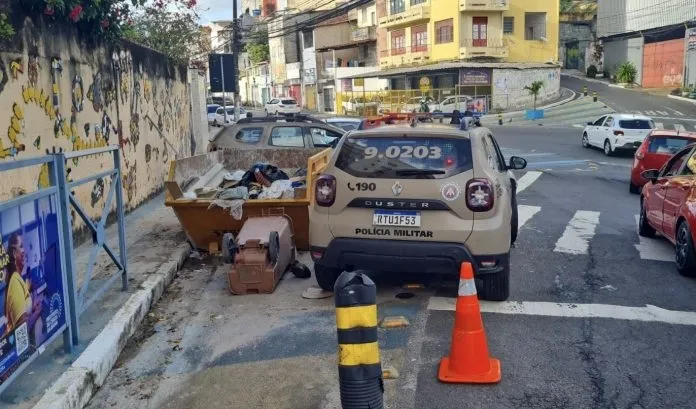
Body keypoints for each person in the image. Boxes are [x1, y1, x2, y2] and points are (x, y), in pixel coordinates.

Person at [4, 232, 43, 341]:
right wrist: (37, 312)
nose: (24, 250)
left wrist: (32, 308)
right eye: (21, 246)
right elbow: (23, 328)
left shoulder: (17, 278)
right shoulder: (15, 282)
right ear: (13, 252)